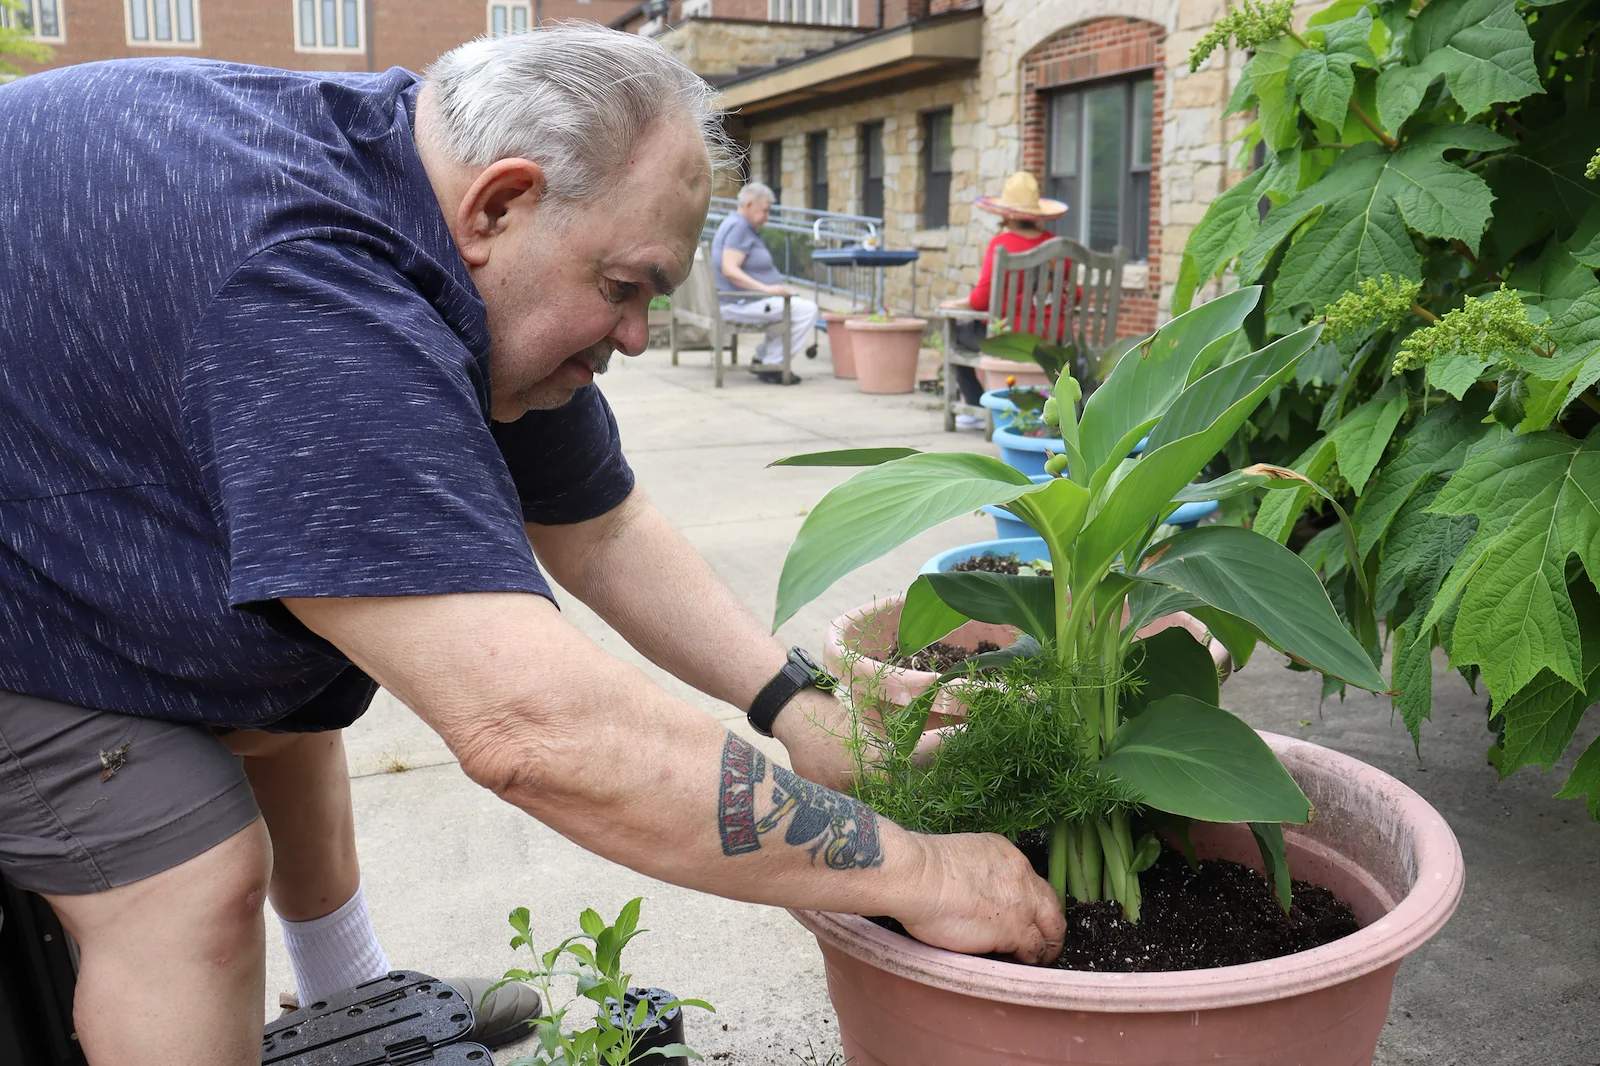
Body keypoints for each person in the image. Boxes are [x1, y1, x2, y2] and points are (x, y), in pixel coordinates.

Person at [0, 26, 1065, 1066]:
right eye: (625, 288)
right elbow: (533, 727)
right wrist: (921, 871)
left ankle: (345, 993)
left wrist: (803, 706)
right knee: (186, 880)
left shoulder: (459, 230)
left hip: (70, 421)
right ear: (500, 201)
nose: (639, 334)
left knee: (307, 651)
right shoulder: (318, 304)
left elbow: (600, 526)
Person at [939, 172, 1069, 430]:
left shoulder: (1002, 244)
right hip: (1056, 339)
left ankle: (976, 407)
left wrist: (956, 305)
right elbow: (1073, 293)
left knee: (955, 335)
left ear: (1006, 214)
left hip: (1010, 337)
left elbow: (981, 301)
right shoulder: (1058, 246)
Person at [711, 181, 820, 383]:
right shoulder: (739, 228)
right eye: (764, 210)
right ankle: (773, 364)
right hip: (740, 303)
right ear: (749, 204)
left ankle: (763, 357)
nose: (767, 217)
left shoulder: (736, 224)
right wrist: (767, 289)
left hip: (741, 301)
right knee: (806, 310)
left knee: (787, 309)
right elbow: (730, 269)